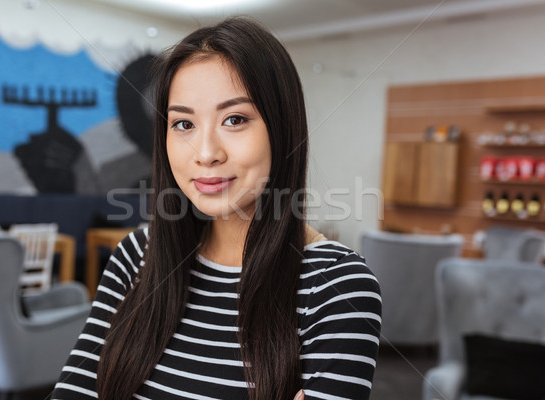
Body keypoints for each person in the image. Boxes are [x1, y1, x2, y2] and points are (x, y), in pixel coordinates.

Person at [51, 17, 381, 400]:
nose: (206, 153)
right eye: (183, 124)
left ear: (282, 128)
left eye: (235, 119)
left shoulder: (338, 287)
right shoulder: (136, 256)